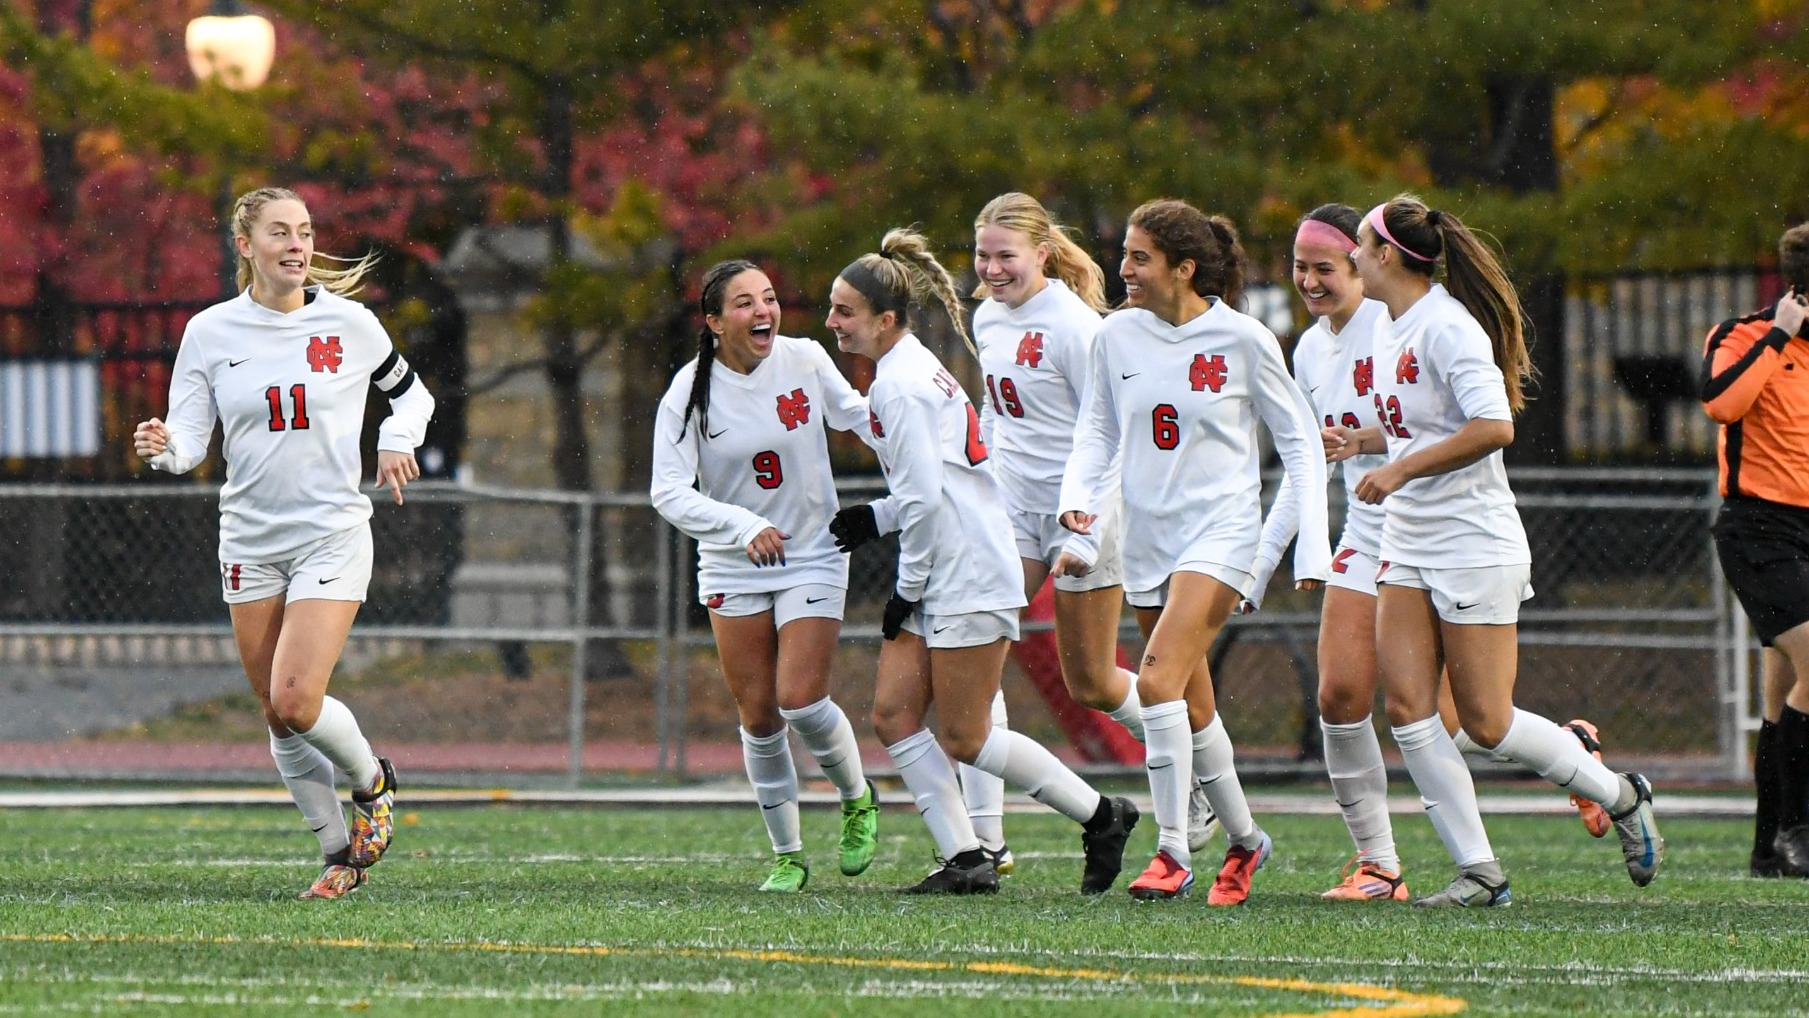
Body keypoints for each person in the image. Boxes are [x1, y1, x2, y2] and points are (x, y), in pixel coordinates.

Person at [1246, 204, 1609, 902]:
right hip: (1371, 531)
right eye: (1302, 267)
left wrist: (1394, 463)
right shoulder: (1315, 348)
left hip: (1438, 533)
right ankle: (1379, 865)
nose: (1314, 280)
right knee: (1342, 695)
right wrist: (1285, 557)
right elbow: (1309, 459)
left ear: (1372, 262)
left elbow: (1473, 424)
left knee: (1457, 723)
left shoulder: (1409, 325)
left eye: (1329, 264)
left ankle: (1567, 758)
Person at [1349, 193, 1663, 906]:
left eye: (1360, 245)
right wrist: (1370, 444)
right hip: (1408, 535)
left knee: (1486, 721)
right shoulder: (1386, 324)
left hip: (1471, 539)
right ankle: (1479, 872)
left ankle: (1617, 796)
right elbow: (1420, 425)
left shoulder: (1446, 327)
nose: (1352, 257)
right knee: (1405, 707)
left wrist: (1396, 468)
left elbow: (1493, 426)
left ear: (1388, 256)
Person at [131, 186, 431, 899]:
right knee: (275, 711)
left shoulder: (351, 323)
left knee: (297, 699)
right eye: (279, 233)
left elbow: (411, 396)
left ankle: (373, 782)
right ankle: (338, 857)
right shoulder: (210, 332)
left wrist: (394, 439)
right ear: (245, 246)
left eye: (303, 231)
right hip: (250, 538)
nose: (296, 245)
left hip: (330, 532)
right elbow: (189, 443)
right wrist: (161, 448)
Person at [826, 227, 1138, 895]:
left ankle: (1101, 815)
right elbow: (928, 487)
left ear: (885, 320)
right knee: (892, 715)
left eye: (843, 311)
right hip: (948, 559)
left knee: (966, 736)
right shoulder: (902, 371)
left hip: (965, 568)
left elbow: (927, 502)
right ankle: (965, 857)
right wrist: (876, 519)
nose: (832, 323)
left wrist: (905, 589)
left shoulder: (901, 385)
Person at [1060, 199, 1332, 904]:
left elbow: (1301, 441)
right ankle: (1246, 842)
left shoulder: (1242, 339)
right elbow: (1095, 430)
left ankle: (1171, 851)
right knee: (1190, 706)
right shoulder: (1114, 337)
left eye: (1138, 257)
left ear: (1183, 268)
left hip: (1222, 532)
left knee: (1153, 682)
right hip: (1149, 537)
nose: (1122, 269)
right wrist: (1078, 513)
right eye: (1123, 252)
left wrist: (1311, 549)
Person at [954, 193, 1220, 870]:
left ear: (1042, 254)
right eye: (982, 255)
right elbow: (997, 411)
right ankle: (982, 843)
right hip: (1012, 509)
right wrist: (976, 478)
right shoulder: (985, 317)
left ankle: (1196, 780)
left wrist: (1081, 532)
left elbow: (1109, 433)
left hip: (1084, 510)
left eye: (1004, 255)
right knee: (970, 639)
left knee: (1093, 682)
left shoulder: (1077, 327)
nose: (991, 268)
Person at [649, 259, 882, 893]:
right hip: (734, 562)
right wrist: (740, 526)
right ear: (715, 321)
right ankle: (788, 855)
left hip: (813, 550)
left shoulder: (804, 359)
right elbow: (667, 491)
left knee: (800, 696)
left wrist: (931, 441)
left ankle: (858, 798)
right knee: (758, 715)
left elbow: (860, 419)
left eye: (770, 299)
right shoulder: (689, 390)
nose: (764, 313)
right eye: (746, 303)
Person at [1700, 222, 1809, 878]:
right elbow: (1720, 403)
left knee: (1782, 694)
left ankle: (1768, 844)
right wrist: (1779, 334)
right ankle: (1800, 827)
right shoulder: (1742, 334)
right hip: (1759, 530)